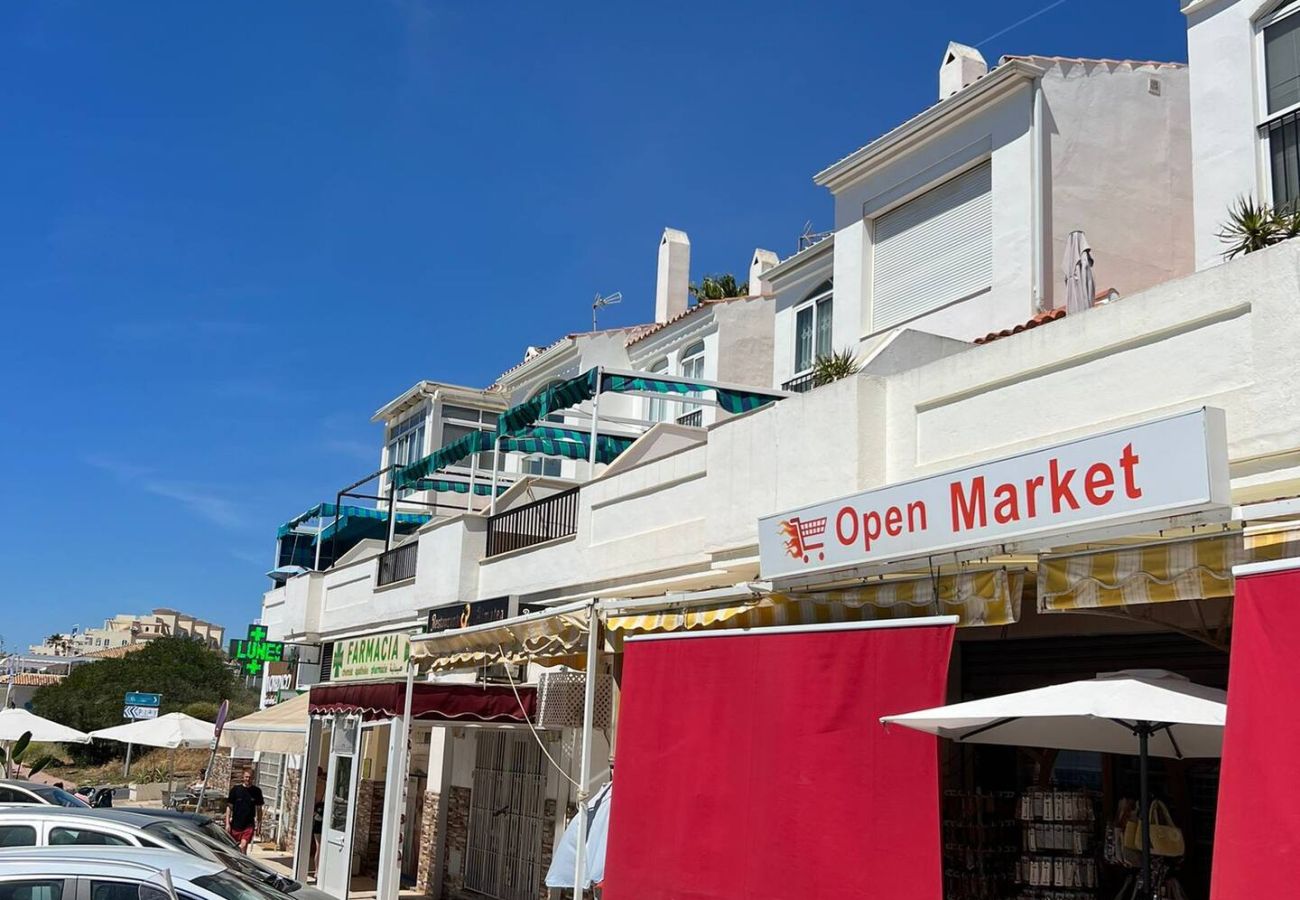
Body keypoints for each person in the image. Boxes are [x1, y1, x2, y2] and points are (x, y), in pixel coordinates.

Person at [225, 767, 264, 853]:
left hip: (248, 824)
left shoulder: (256, 791)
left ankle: (242, 864)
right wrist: (227, 823)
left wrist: (259, 824)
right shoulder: (235, 790)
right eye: (246, 777)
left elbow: (259, 809)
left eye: (250, 777)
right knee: (233, 849)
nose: (248, 779)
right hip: (235, 824)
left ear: (253, 778)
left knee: (243, 846)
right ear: (243, 777)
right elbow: (229, 807)